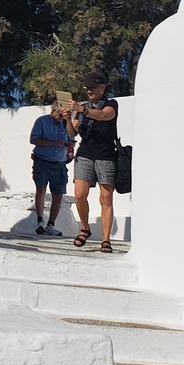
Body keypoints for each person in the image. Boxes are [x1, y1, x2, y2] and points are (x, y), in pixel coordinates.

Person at [67, 71, 119, 251]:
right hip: (85, 154)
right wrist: (68, 117)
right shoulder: (82, 108)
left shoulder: (111, 104)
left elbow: (105, 116)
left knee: (106, 197)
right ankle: (85, 228)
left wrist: (82, 110)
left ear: (102, 87)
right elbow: (72, 133)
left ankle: (106, 239)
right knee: (80, 194)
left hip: (106, 155)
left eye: (92, 87)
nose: (88, 91)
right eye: (86, 88)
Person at [29, 101, 74, 236]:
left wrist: (69, 142)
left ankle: (51, 225)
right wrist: (52, 143)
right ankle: (40, 222)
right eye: (60, 114)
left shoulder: (65, 124)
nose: (61, 117)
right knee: (41, 189)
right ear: (53, 111)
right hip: (42, 161)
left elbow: (72, 136)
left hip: (60, 163)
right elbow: (33, 139)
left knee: (58, 195)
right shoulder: (42, 121)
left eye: (63, 115)